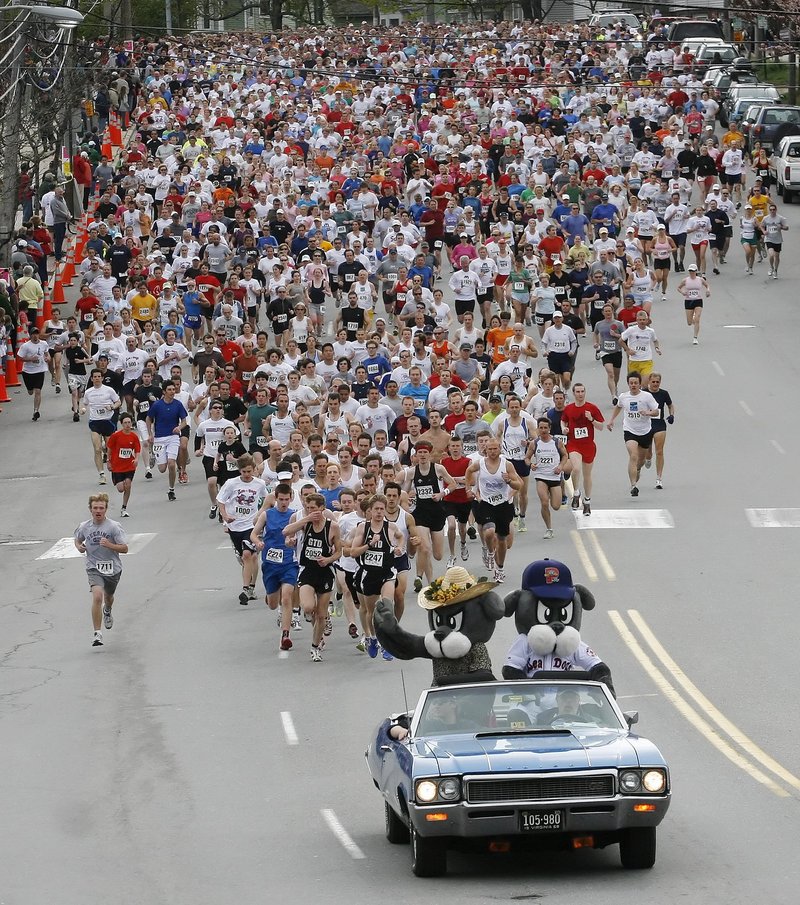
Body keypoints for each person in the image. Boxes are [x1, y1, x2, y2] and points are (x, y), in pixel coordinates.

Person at [283, 493, 342, 662]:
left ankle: (315, 646)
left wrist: (328, 559)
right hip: (307, 569)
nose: (311, 511)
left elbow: (339, 551)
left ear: (322, 508)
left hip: (325, 571)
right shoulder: (305, 524)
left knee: (321, 615)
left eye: (314, 508)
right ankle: (312, 618)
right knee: (308, 607)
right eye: (308, 508)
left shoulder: (333, 527)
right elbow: (286, 531)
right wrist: (305, 519)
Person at [348, 493, 405, 660]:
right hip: (368, 573)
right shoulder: (362, 528)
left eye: (382, 509)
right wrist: (369, 544)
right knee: (371, 612)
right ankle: (373, 638)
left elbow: (401, 537)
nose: (380, 512)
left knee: (386, 608)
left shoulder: (391, 527)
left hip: (387, 572)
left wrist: (399, 548)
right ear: (370, 511)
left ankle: (385, 643)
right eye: (376, 509)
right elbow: (352, 552)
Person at [73, 493, 129, 648]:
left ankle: (108, 609)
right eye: (95, 508)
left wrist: (110, 545)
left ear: (106, 509)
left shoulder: (113, 527)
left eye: (101, 508)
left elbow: (124, 548)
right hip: (93, 567)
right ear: (90, 509)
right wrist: (79, 547)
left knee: (108, 597)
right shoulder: (84, 526)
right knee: (97, 596)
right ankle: (97, 633)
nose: (98, 511)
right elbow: (77, 539)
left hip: (113, 568)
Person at [251, 482, 300, 652]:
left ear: (291, 498)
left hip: (289, 562)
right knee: (273, 603)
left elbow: (298, 535)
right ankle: (270, 596)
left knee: (287, 597)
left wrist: (294, 541)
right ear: (276, 498)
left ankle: (285, 635)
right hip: (271, 564)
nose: (284, 502)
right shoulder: (267, 515)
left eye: (287, 499)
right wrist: (258, 542)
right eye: (281, 500)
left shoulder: (295, 516)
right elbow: (254, 533)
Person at [401, 440, 456, 591]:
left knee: (437, 554)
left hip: (437, 512)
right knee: (424, 548)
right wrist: (408, 496)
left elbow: (453, 484)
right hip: (420, 514)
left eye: (425, 452)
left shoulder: (439, 469)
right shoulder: (412, 472)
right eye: (420, 453)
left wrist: (442, 494)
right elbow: (404, 493)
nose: (423, 455)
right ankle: (422, 578)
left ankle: (428, 579)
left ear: (430, 454)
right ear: (416, 455)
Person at [466, 435, 521, 582]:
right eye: (489, 449)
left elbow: (519, 485)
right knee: (489, 531)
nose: (492, 451)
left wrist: (509, 481)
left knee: (502, 540)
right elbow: (469, 471)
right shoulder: (480, 463)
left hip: (503, 504)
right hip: (486, 503)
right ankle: (490, 553)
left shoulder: (507, 465)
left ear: (499, 449)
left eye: (495, 449)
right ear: (485, 450)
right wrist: (468, 488)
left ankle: (500, 569)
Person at [216, 454, 267, 606]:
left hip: (251, 525)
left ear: (254, 470)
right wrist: (225, 516)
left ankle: (246, 589)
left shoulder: (260, 484)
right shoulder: (231, 484)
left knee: (247, 555)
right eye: (244, 471)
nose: (246, 475)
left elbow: (268, 500)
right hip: (234, 525)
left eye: (249, 471)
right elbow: (221, 500)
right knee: (247, 560)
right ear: (239, 471)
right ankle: (251, 587)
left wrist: (262, 517)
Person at [607, 371, 660, 497]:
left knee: (640, 461)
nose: (633, 385)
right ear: (628, 384)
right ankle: (633, 485)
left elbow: (656, 411)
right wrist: (611, 420)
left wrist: (648, 413)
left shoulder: (646, 396)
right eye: (631, 383)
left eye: (636, 383)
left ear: (640, 384)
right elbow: (619, 406)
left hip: (645, 431)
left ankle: (637, 470)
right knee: (633, 456)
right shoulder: (624, 397)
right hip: (630, 430)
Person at [562, 383, 605, 516]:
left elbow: (600, 427)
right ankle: (576, 492)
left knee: (587, 475)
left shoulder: (592, 408)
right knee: (576, 468)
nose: (580, 394)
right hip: (574, 444)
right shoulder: (569, 409)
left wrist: (591, 419)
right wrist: (564, 428)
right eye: (578, 392)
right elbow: (563, 421)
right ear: (574, 393)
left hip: (588, 445)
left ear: (585, 393)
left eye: (582, 391)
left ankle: (587, 501)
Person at [525, 416, 569, 539]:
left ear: (549, 429)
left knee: (556, 506)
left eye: (545, 428)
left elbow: (565, 455)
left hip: (554, 477)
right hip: (541, 476)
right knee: (544, 503)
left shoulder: (556, 442)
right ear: (538, 429)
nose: (543, 430)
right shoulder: (535, 443)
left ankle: (554, 493)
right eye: (541, 428)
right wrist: (531, 464)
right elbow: (527, 458)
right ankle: (549, 529)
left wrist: (560, 466)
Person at [145, 381, 188, 501]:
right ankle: (153, 452)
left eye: (173, 389)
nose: (172, 392)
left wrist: (179, 427)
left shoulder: (178, 404)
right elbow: (148, 419)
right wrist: (150, 434)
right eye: (169, 390)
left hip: (173, 437)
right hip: (159, 439)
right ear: (164, 391)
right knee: (162, 469)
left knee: (171, 464)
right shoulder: (157, 405)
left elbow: (184, 421)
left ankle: (171, 489)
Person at [81, 368, 122, 485]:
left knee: (110, 449)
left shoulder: (109, 390)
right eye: (95, 377)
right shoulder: (88, 392)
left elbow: (118, 402)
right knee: (97, 449)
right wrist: (83, 410)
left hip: (108, 421)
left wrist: (113, 407)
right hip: (94, 422)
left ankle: (109, 459)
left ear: (102, 378)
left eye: (99, 376)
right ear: (92, 378)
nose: (97, 378)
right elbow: (84, 404)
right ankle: (101, 474)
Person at [644, 373, 675, 490]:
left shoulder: (664, 393)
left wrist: (672, 415)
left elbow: (670, 405)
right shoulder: (644, 393)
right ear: (649, 382)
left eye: (657, 382)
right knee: (648, 451)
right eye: (653, 382)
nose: (655, 384)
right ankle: (648, 457)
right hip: (646, 425)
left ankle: (659, 478)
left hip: (659, 425)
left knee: (660, 451)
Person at [106, 413, 141, 516]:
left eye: (129, 422)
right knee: (121, 489)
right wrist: (108, 461)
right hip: (117, 467)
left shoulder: (134, 437)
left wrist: (136, 459)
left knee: (128, 484)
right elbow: (110, 448)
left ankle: (124, 507)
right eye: (125, 423)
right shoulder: (116, 436)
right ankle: (120, 484)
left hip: (129, 466)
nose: (127, 425)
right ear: (121, 424)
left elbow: (137, 450)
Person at [17, 325, 50, 421]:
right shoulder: (25, 346)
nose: (35, 336)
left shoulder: (44, 344)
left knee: (38, 391)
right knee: (31, 392)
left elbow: (47, 354)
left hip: (40, 370)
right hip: (28, 372)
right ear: (30, 335)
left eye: (37, 334)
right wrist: (30, 359)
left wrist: (48, 358)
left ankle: (36, 411)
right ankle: (29, 389)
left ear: (39, 334)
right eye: (33, 334)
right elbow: (19, 358)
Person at [676, 263, 709, 345]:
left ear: (696, 271)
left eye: (693, 271)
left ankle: (695, 338)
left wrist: (708, 290)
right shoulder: (685, 280)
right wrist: (682, 292)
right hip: (688, 301)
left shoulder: (700, 279)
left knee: (697, 319)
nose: (691, 272)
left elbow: (707, 285)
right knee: (689, 322)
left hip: (698, 300)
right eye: (690, 271)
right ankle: (693, 319)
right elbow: (678, 288)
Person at [761, 202, 788, 279]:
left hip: (778, 240)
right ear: (769, 210)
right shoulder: (766, 218)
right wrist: (764, 231)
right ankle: (771, 267)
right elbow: (762, 226)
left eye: (774, 209)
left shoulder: (780, 218)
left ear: (776, 210)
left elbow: (787, 227)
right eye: (771, 210)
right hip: (769, 239)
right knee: (771, 254)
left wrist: (781, 227)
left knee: (777, 256)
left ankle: (775, 270)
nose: (772, 211)